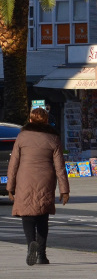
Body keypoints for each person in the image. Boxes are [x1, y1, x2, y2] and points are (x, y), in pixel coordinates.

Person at [7, 107, 70, 266]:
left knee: (27, 215)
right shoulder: (53, 138)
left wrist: (10, 186)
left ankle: (31, 244)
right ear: (46, 120)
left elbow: (13, 163)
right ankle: (42, 255)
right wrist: (64, 190)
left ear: (30, 120)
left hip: (25, 178)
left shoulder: (22, 137)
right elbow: (60, 167)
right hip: (45, 179)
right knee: (42, 216)